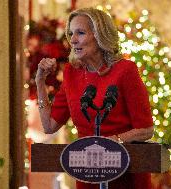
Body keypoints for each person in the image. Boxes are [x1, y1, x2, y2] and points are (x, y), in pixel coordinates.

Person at [35, 7, 154, 189]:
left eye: (80, 33)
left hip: (126, 173)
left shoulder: (125, 70)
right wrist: (40, 82)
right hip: (88, 173)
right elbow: (49, 126)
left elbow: (146, 130)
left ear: (99, 35)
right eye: (71, 34)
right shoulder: (71, 73)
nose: (73, 40)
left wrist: (115, 141)